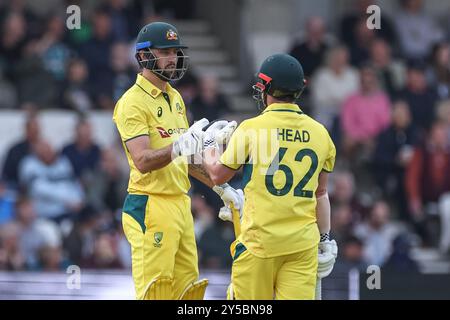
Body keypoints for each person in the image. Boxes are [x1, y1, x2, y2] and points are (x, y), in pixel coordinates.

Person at [112, 22, 239, 300]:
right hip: (150, 203)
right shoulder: (131, 102)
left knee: (188, 294)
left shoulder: (176, 97)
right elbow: (143, 160)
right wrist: (178, 146)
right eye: (166, 52)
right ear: (145, 56)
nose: (173, 58)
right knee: (155, 293)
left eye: (175, 52)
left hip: (181, 205)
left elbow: (185, 158)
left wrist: (220, 186)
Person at [203, 54, 338, 299]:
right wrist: (325, 237)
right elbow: (321, 193)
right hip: (301, 245)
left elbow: (216, 175)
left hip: (259, 243)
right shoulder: (321, 133)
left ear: (268, 87)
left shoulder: (252, 128)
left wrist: (210, 145)